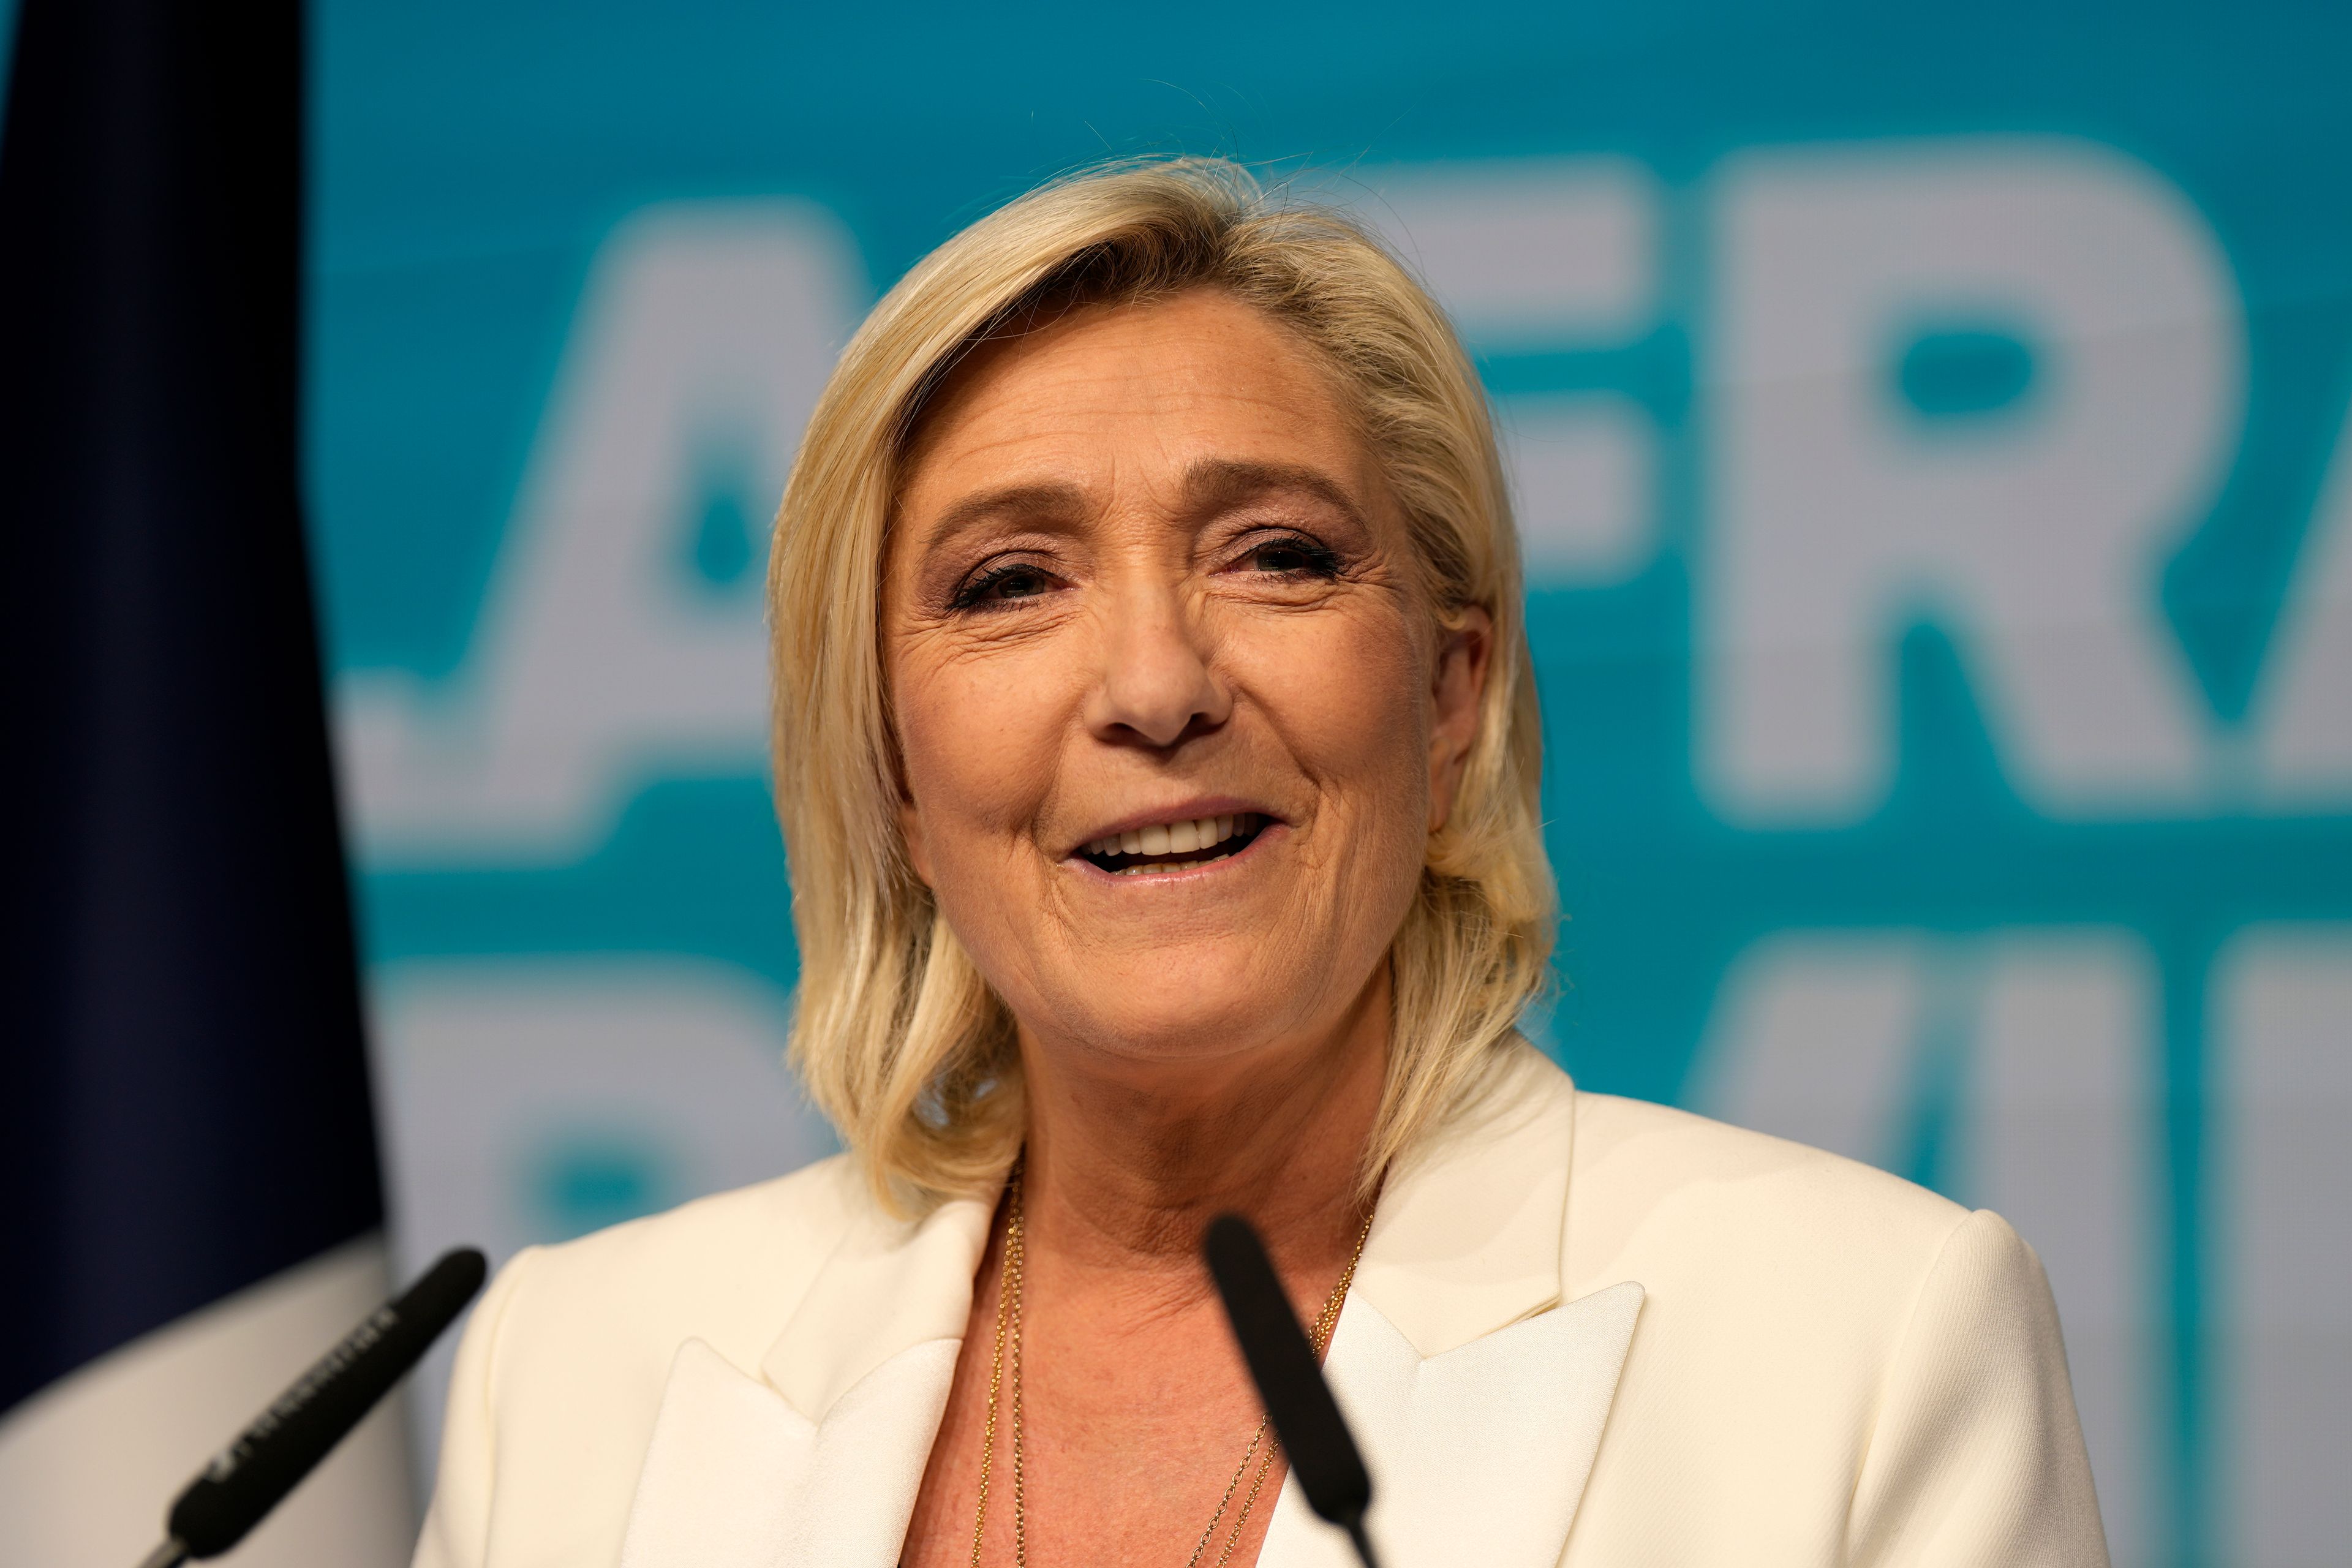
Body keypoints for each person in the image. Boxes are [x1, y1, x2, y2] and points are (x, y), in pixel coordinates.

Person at [410, 158, 2109, 1568]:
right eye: (1011, 583)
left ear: (1453, 694)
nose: (1155, 686)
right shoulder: (579, 1370)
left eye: (1276, 556)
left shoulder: (1863, 1343)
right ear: (890, 770)